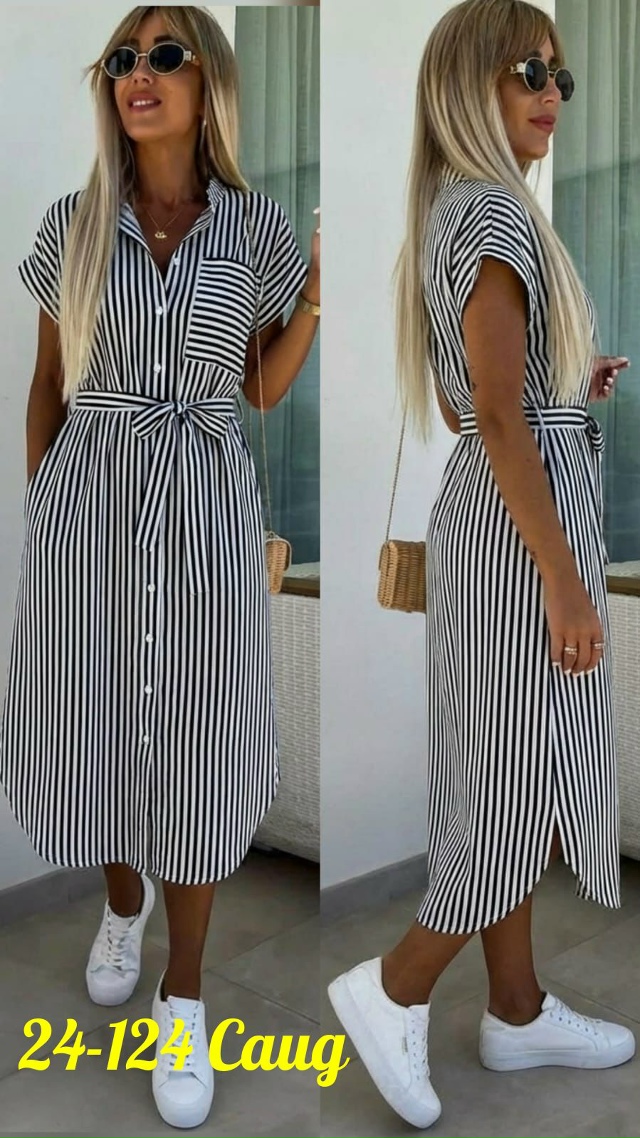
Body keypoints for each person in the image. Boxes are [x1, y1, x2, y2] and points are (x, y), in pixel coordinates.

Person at [0, 5, 320, 1129]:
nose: (140, 73)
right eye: (124, 59)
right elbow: (49, 381)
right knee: (92, 720)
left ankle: (183, 995)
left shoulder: (256, 227)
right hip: (86, 508)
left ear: (207, 80)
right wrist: (44, 514)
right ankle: (121, 905)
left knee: (198, 740)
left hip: (205, 509)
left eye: (166, 54)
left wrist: (313, 296)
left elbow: (260, 388)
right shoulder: (74, 223)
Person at [328, 0, 633, 1129]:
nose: (552, 93)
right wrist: (565, 581)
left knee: (505, 771)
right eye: (527, 72)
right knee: (516, 783)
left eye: (560, 75)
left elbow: (489, 406)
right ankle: (394, 985)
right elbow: (495, 418)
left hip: (500, 522)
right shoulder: (493, 215)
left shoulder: (465, 212)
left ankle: (514, 1010)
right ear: (469, 84)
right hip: (518, 541)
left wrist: (567, 384)